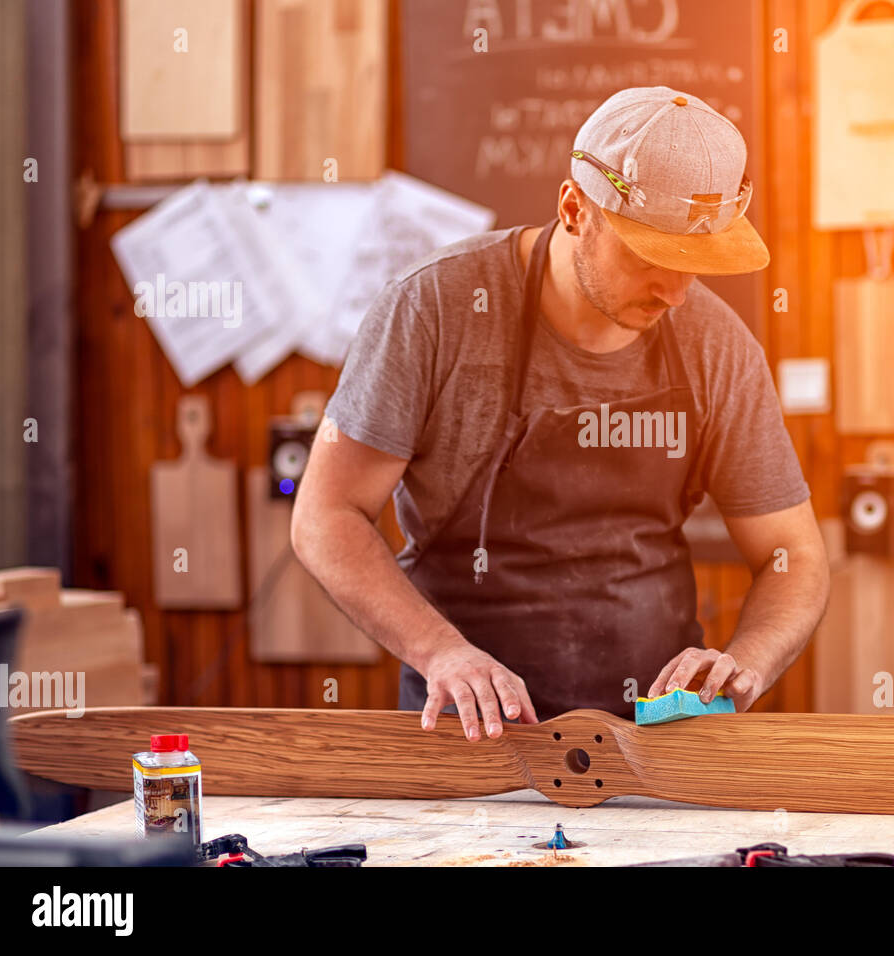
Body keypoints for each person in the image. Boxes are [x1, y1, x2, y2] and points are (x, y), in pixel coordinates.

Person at [292, 86, 829, 740]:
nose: (676, 292)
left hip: (656, 737)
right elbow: (326, 515)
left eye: (697, 264)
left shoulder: (716, 345)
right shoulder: (435, 309)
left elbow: (791, 553)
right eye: (651, 258)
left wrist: (745, 664)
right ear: (575, 209)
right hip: (476, 734)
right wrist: (440, 651)